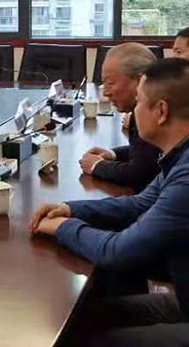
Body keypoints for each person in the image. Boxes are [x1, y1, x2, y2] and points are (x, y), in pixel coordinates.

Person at [30, 58, 189, 346]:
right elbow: (140, 203)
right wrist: (71, 209)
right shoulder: (179, 156)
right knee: (86, 318)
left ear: (161, 111)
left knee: (91, 340)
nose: (133, 112)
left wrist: (62, 227)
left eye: (139, 102)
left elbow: (117, 251)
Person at [79, 43, 161, 192]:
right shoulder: (143, 108)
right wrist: (113, 154)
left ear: (140, 81)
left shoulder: (156, 114)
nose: (106, 92)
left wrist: (97, 166)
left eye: (110, 83)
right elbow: (148, 154)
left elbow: (139, 173)